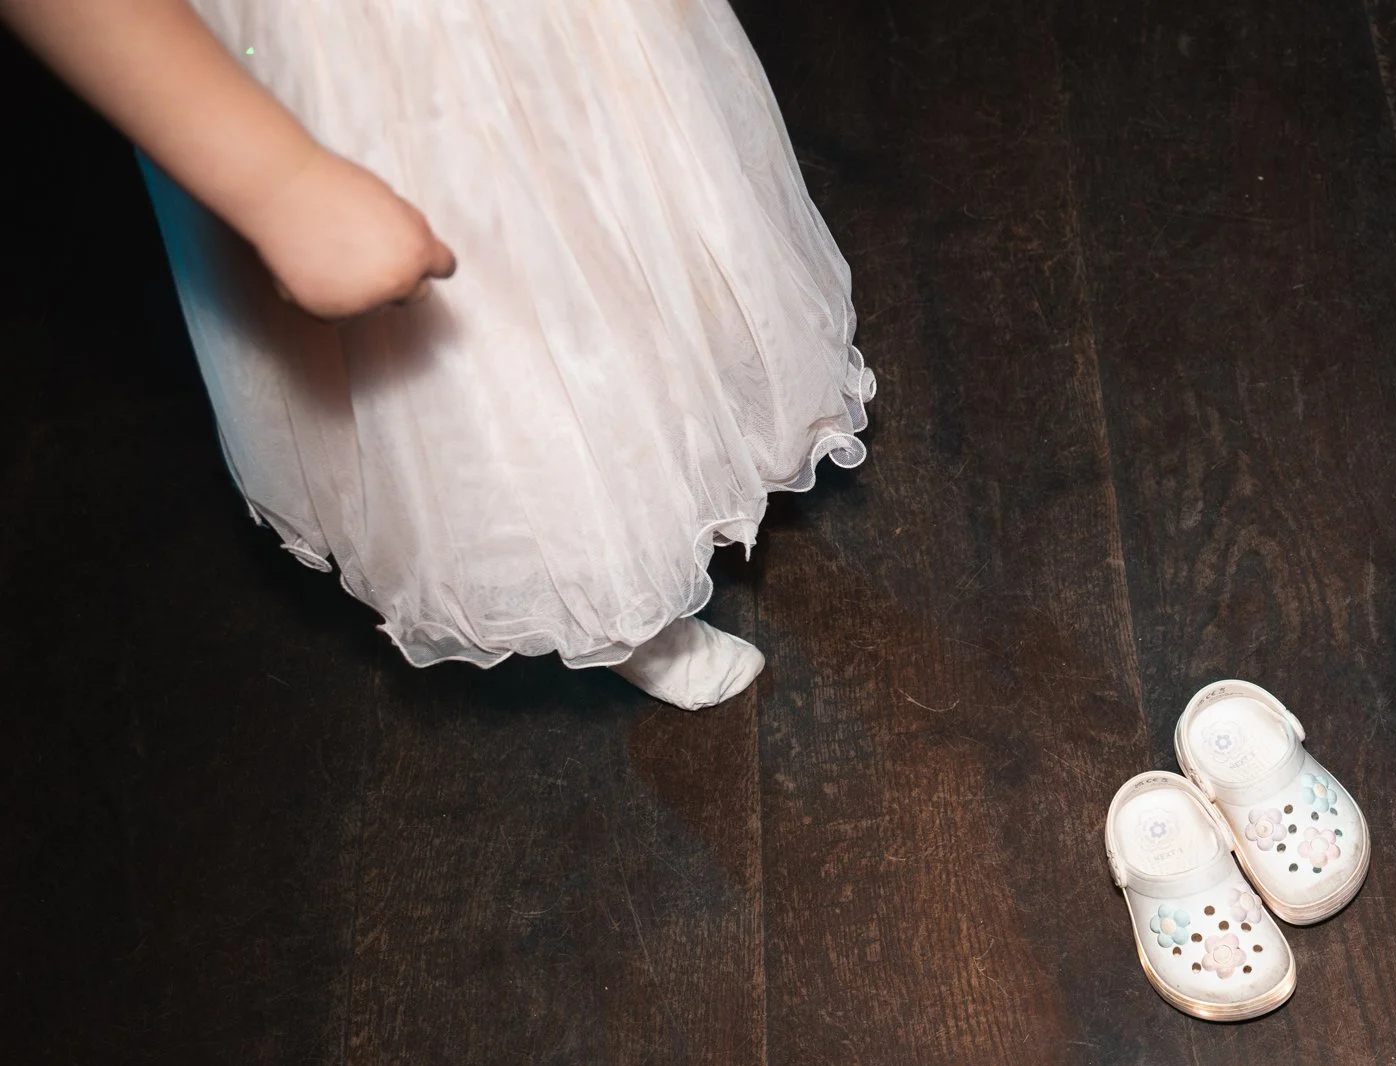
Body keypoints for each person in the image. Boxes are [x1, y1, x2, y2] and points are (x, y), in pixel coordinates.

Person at [3, 0, 873, 708]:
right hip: (363, 71)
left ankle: (692, 406)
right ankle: (620, 595)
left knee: (642, 212)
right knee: (494, 342)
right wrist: (281, 182)